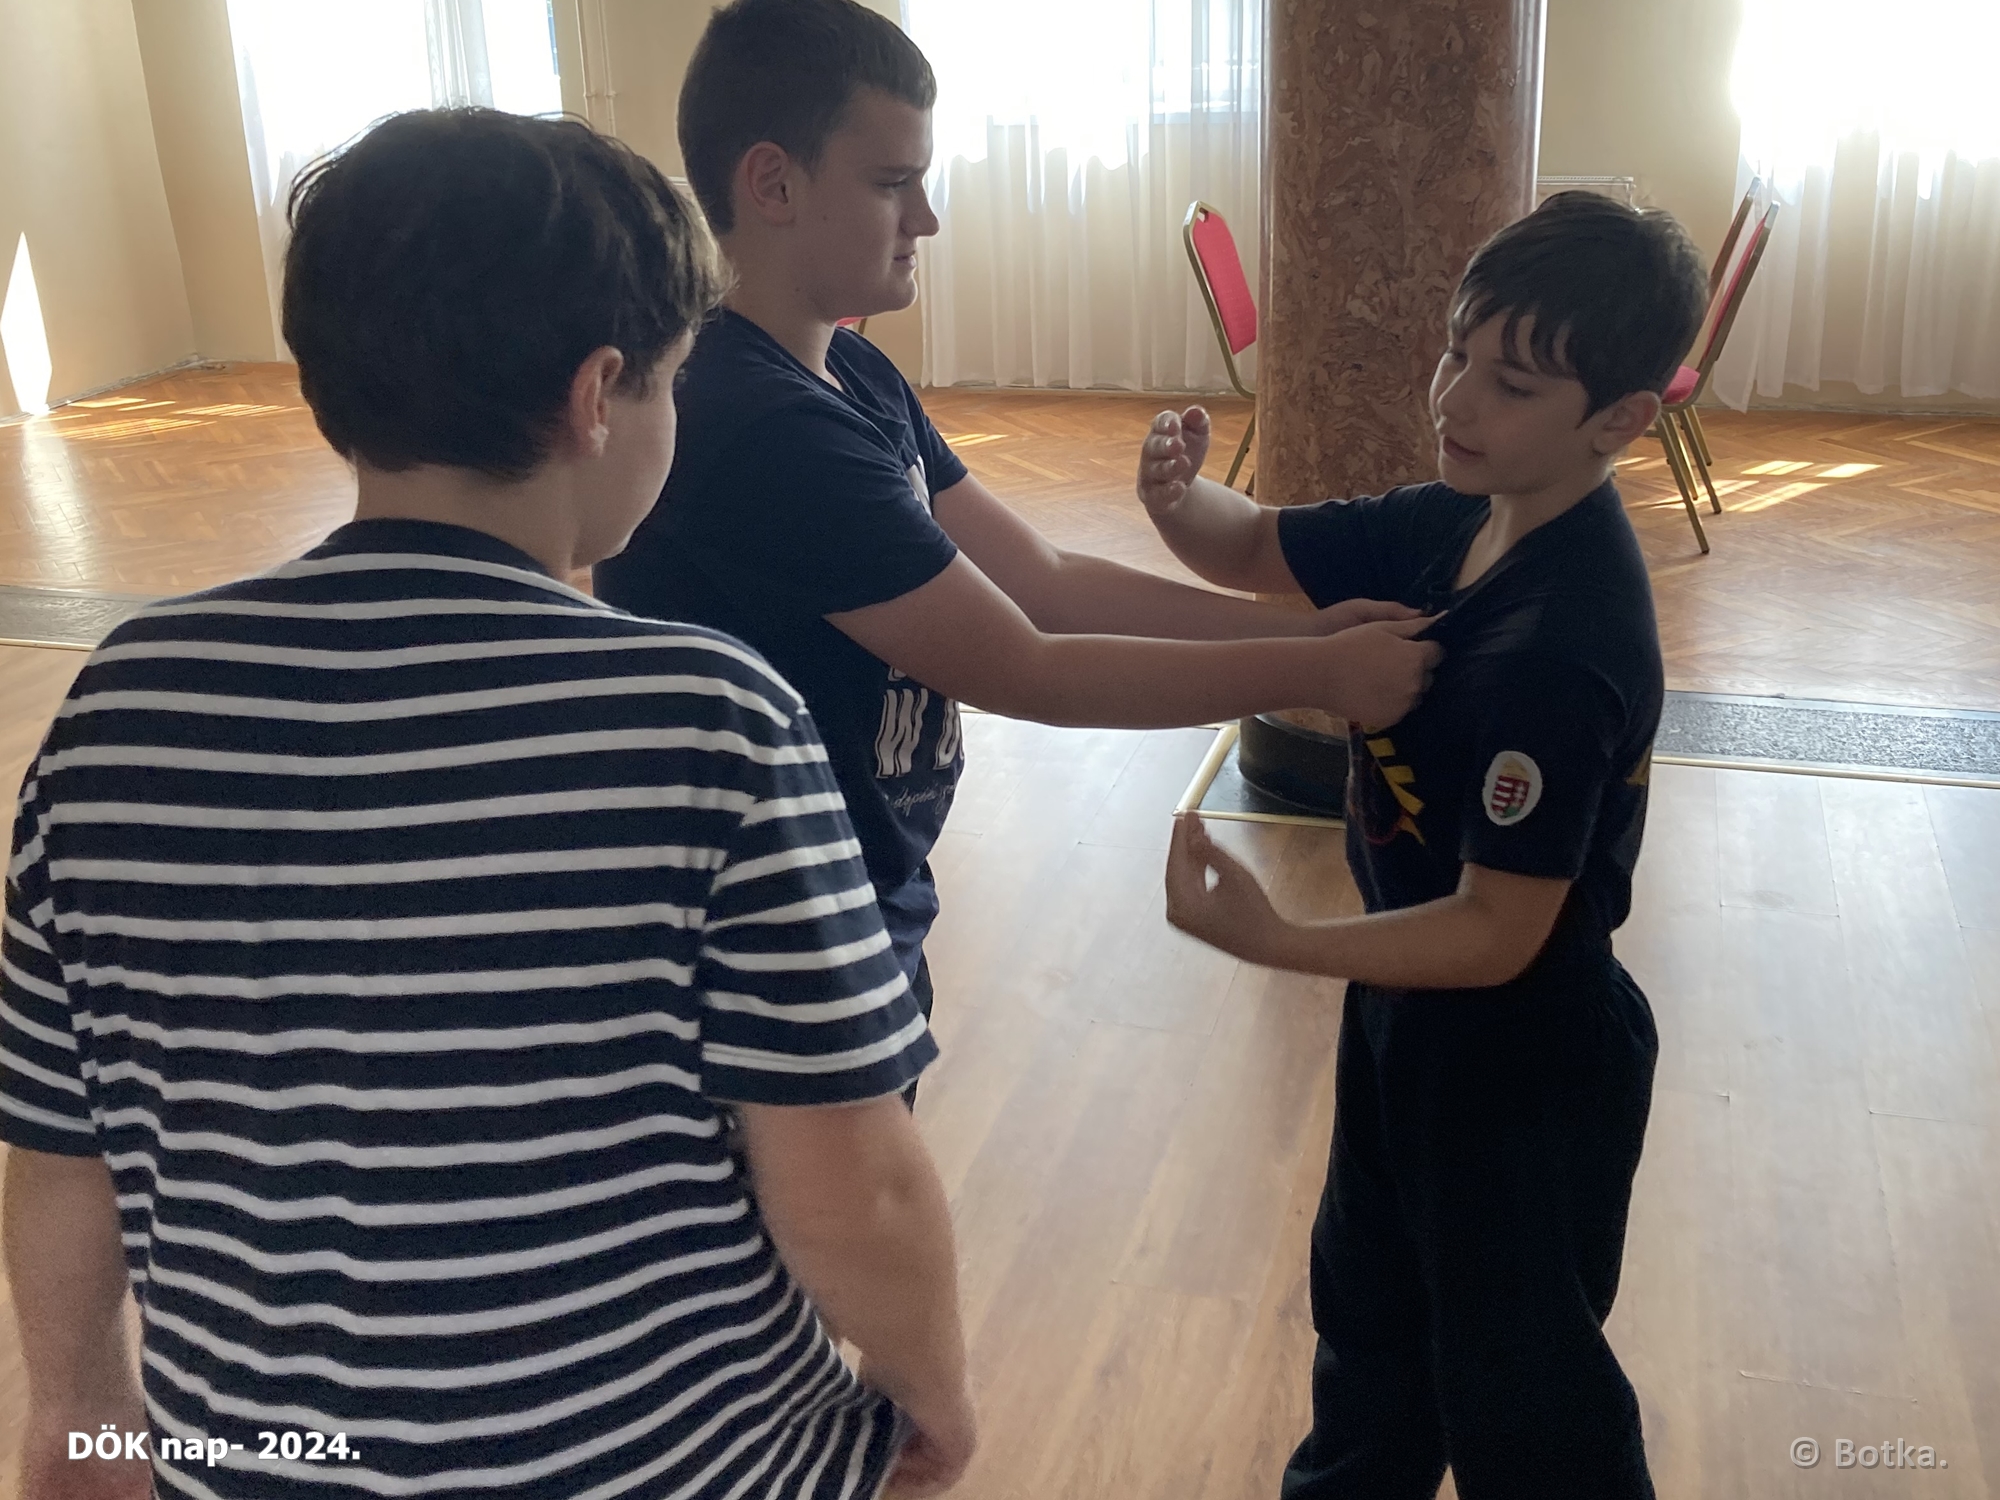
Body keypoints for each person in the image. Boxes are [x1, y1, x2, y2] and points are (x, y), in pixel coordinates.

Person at [1, 109, 972, 1500]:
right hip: (665, 1462)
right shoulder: (707, 718)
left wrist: (76, 1411)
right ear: (599, 395)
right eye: (671, 383)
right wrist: (932, 1396)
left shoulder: (125, 700)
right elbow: (850, 1183)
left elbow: (61, 1137)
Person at [595, 0, 1442, 1023]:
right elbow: (1023, 666)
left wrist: (1307, 631)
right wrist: (1317, 673)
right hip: (761, 937)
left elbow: (1044, 580)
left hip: (850, 887)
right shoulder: (759, 425)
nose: (925, 219)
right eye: (891, 183)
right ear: (772, 182)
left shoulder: (853, 373)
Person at [1149, 191, 1710, 1498]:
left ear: (1619, 419)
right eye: (1457, 351)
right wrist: (1172, 497)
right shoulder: (1452, 516)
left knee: (1528, 1406)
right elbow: (1253, 546)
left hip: (1528, 1065)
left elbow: (1496, 931)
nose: (1455, 396)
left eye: (1509, 383)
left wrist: (1275, 937)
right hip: (1406, 1017)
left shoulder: (1563, 640)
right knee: (1369, 1339)